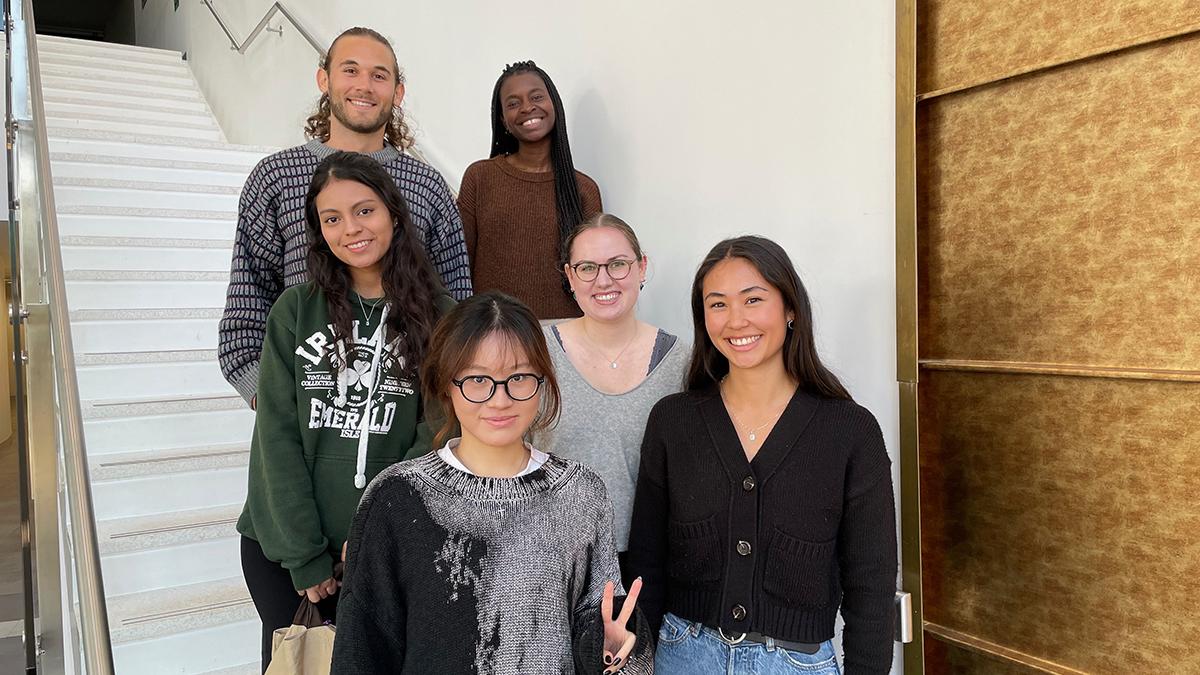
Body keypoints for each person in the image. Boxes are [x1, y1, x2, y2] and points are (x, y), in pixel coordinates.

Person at [332, 292, 651, 674]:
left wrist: (614, 652)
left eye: (518, 377)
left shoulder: (582, 493)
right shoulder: (397, 497)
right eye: (478, 379)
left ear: (543, 380)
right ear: (446, 383)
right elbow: (362, 650)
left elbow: (598, 633)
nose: (499, 400)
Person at [627, 236, 897, 674]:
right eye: (717, 304)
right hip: (682, 655)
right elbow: (647, 564)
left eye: (753, 299)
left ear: (790, 308)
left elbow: (872, 582)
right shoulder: (673, 421)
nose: (736, 320)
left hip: (796, 663)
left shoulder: (850, 431)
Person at [237, 151, 453, 671]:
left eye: (364, 211)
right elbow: (277, 435)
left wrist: (378, 533)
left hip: (387, 551)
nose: (350, 229)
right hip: (286, 556)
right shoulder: (295, 310)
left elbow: (435, 433)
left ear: (394, 215)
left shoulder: (441, 315)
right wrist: (305, 554)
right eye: (332, 218)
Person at [219, 26, 471, 409]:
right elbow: (248, 307)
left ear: (397, 92)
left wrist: (437, 410)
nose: (364, 86)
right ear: (324, 79)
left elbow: (457, 304)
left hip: (407, 417)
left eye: (379, 75)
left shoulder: (427, 185)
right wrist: (274, 402)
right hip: (306, 413)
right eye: (350, 70)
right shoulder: (276, 177)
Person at [537, 213, 688, 587]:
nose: (603, 280)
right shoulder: (535, 349)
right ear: (570, 277)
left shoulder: (681, 361)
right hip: (546, 555)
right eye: (587, 267)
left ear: (642, 268)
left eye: (618, 264)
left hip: (647, 562)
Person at [458, 60, 601, 320]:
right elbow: (458, 265)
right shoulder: (480, 178)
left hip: (567, 336)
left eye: (536, 97)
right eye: (513, 103)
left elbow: (594, 274)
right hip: (496, 331)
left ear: (554, 104)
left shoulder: (584, 190)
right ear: (503, 119)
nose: (527, 107)